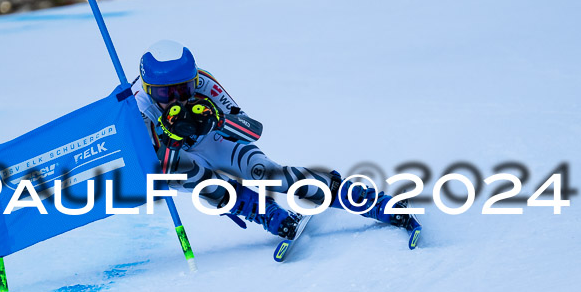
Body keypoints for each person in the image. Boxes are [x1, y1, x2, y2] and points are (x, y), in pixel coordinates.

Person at [132, 40, 414, 240]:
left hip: (213, 139)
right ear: (147, 89)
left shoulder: (204, 84)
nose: (178, 99)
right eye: (165, 94)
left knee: (266, 173)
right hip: (177, 157)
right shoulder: (138, 108)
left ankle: (368, 201)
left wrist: (216, 117)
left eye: (184, 88)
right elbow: (154, 170)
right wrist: (169, 138)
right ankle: (264, 211)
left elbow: (251, 130)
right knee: (199, 179)